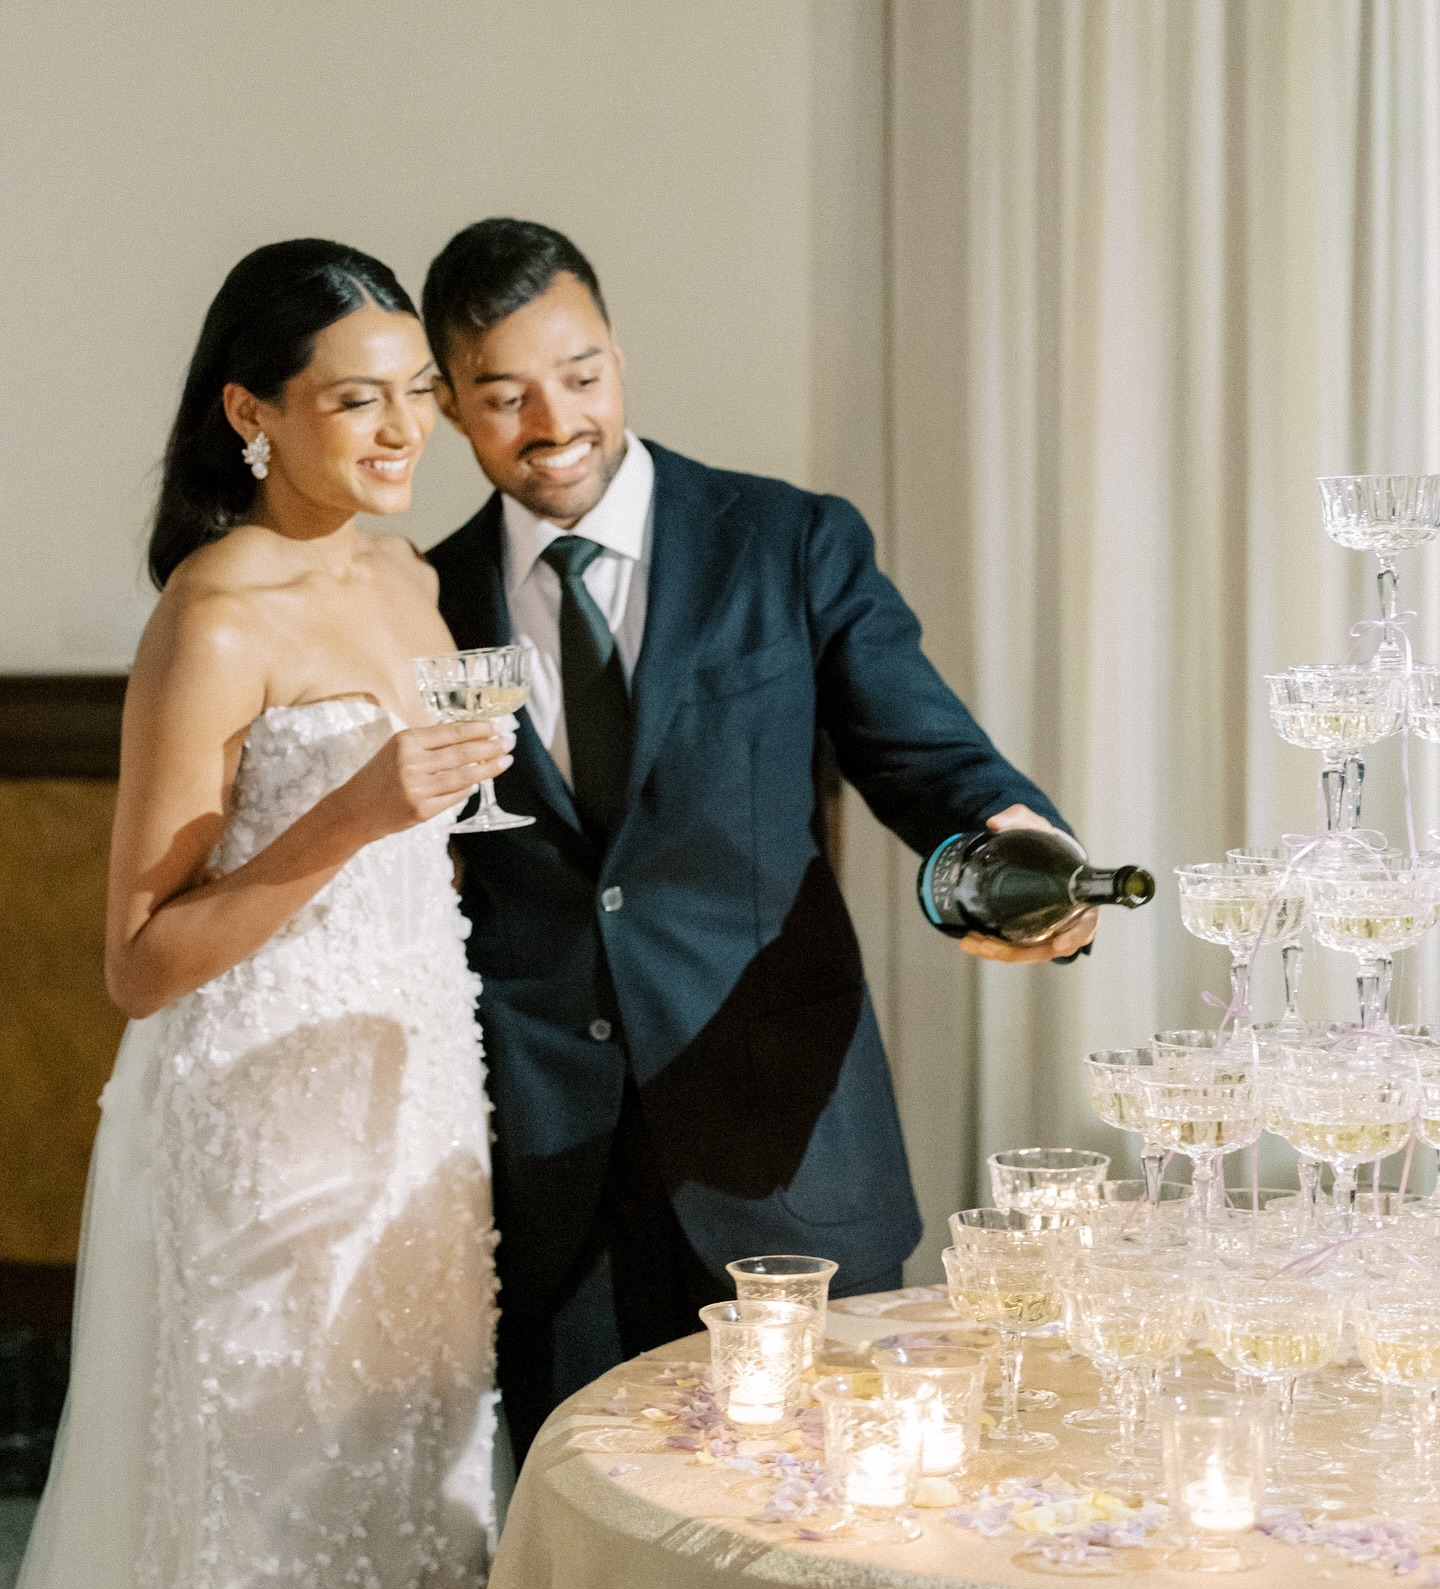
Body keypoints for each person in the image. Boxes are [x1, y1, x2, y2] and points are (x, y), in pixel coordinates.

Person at [424, 218, 1095, 1463]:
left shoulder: (785, 541)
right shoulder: (425, 599)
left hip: (782, 1143)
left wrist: (1018, 856)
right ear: (452, 404)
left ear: (619, 353)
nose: (552, 419)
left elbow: (928, 761)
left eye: (578, 375)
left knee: (829, 1515)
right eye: (503, 393)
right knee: (598, 1550)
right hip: (545, 1169)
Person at [0, 240, 511, 1589]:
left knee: (421, 1485)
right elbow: (141, 960)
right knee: (272, 1512)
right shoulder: (215, 615)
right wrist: (347, 813)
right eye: (356, 399)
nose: (402, 431)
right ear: (250, 411)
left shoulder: (412, 578)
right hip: (261, 1125)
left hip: (417, 1090)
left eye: (419, 393)